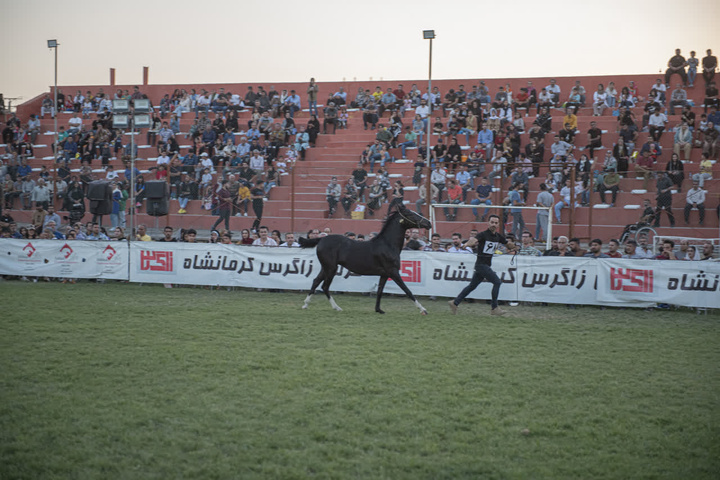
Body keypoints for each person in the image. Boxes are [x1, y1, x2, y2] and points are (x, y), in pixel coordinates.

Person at [448, 215, 517, 316]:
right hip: (481, 265)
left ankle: (455, 303)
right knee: (497, 282)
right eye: (492, 222)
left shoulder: (498, 237)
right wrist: (466, 244)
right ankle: (494, 308)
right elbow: (474, 240)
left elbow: (507, 244)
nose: (493, 224)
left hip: (485, 265)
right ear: (488, 223)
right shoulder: (483, 235)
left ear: (498, 224)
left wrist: (515, 247)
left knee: (472, 286)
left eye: (495, 223)